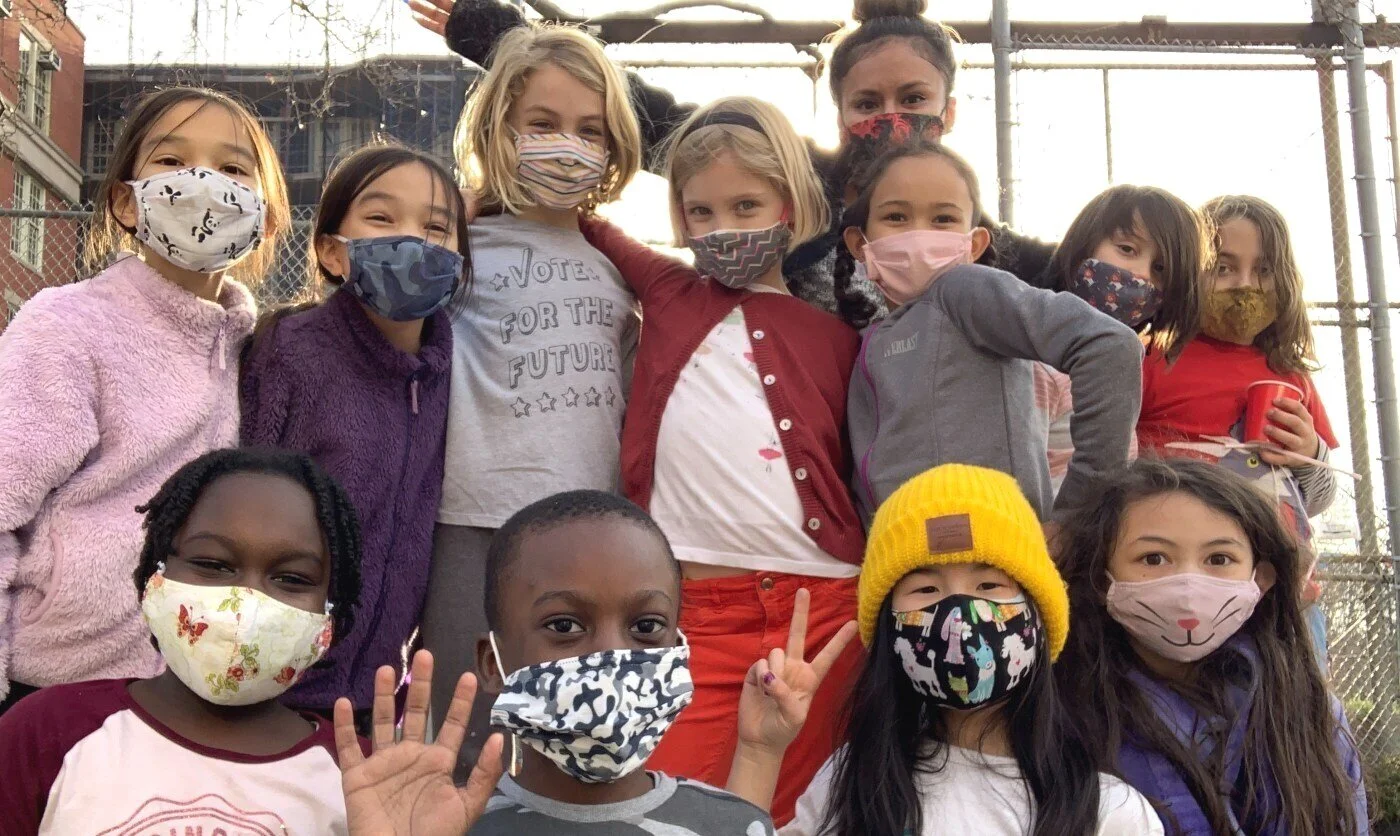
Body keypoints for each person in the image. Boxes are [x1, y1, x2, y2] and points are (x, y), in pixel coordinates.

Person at [576, 96, 864, 823]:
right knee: (672, 804)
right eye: (700, 213)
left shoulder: (838, 335)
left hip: (823, 607)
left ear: (790, 206)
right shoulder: (669, 291)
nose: (721, 229)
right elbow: (591, 225)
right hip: (694, 613)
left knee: (805, 809)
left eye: (745, 206)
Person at [412, 0, 1058, 312]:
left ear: (948, 110)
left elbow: (1080, 264)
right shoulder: (804, 179)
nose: (891, 117)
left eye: (913, 97)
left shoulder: (977, 241)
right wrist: (498, 35)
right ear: (838, 113)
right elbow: (660, 119)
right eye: (868, 101)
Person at [0, 87, 290, 713]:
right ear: (124, 203)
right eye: (172, 161)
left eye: (234, 169)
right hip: (58, 684)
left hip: (194, 686)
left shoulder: (256, 351)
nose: (204, 182)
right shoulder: (65, 325)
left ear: (265, 216)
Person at [726, 463, 1164, 835]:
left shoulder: (1111, 814)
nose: (960, 612)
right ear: (888, 630)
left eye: (989, 584)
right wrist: (758, 753)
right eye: (926, 588)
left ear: (1040, 614)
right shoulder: (854, 782)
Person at [424, 21, 643, 757]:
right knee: (462, 729)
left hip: (588, 531)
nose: (567, 144)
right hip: (469, 525)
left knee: (573, 737)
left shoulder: (621, 269)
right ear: (500, 129)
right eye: (543, 124)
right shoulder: (456, 246)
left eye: (590, 129)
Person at [339, 489, 779, 834]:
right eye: (565, 626)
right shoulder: (444, 828)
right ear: (494, 664)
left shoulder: (737, 827)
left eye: (646, 627)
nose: (611, 653)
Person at [0, 448, 362, 834]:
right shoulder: (47, 731)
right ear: (154, 576)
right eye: (212, 564)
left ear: (330, 609)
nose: (244, 603)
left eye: (292, 578)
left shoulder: (360, 778)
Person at [240, 143, 471, 723]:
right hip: (274, 684)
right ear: (331, 251)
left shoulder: (450, 371)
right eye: (381, 218)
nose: (413, 239)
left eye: (436, 226)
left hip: (378, 692)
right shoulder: (290, 353)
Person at [1054, 458, 1367, 835]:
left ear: (1262, 579)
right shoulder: (1064, 712)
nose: (1188, 585)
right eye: (1153, 558)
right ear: (1101, 580)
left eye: (1219, 559)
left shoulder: (1309, 709)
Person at [839, 139, 1142, 525]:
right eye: (896, 217)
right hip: (907, 565)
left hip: (991, 564)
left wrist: (1078, 515)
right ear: (858, 243)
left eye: (943, 219)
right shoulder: (872, 337)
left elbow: (1108, 345)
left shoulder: (966, 292)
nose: (918, 234)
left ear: (975, 243)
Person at [1136, 195, 1339, 663]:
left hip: (1283, 591)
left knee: (1296, 705)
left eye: (1262, 270)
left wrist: (1309, 453)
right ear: (1192, 273)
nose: (1244, 285)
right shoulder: (1151, 356)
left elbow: (1321, 496)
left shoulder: (1289, 372)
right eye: (1223, 268)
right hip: (1184, 587)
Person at [1034, 184, 1207, 496]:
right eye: (1127, 249)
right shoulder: (1037, 349)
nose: (1140, 274)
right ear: (1084, 244)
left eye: (1161, 268)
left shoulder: (1132, 357)